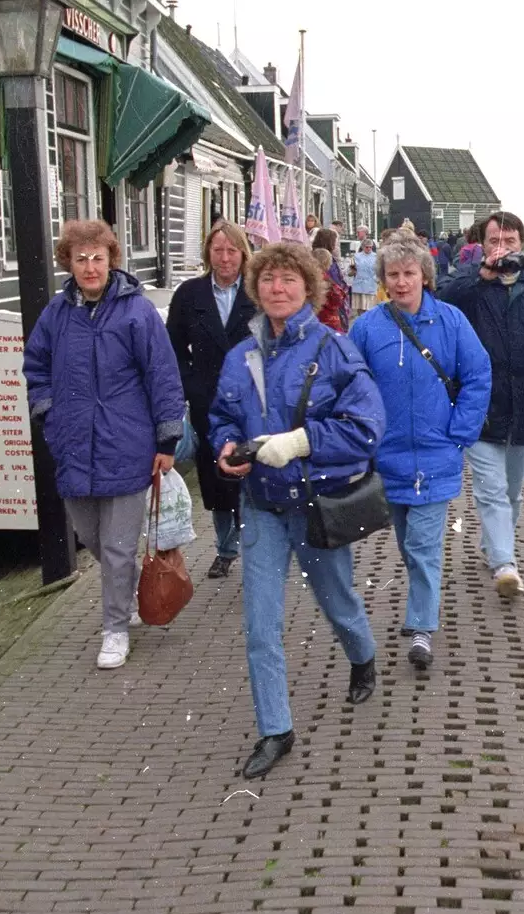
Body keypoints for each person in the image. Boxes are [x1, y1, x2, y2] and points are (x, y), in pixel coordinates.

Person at [208, 242, 386, 779]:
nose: (277, 289)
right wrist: (224, 448)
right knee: (261, 624)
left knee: (338, 602)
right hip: (260, 505)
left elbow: (366, 427)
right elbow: (223, 416)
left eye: (288, 279)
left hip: (314, 506)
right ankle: (276, 729)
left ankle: (362, 656)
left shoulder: (335, 350)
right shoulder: (240, 357)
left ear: (308, 287)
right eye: (267, 280)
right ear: (255, 289)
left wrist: (301, 442)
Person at [24, 220, 185, 667]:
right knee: (91, 538)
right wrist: (48, 414)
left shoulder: (137, 313)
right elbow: (35, 366)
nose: (90, 267)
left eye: (97, 258)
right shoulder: (56, 316)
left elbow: (163, 376)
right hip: (74, 444)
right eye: (81, 259)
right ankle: (129, 587)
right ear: (69, 263)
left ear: (111, 259)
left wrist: (167, 438)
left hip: (127, 443)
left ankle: (115, 629)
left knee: (116, 547)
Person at [348, 232, 490, 669]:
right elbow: (349, 384)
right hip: (387, 459)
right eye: (393, 274)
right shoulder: (367, 328)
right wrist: (361, 436)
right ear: (383, 279)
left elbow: (478, 376)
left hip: (435, 455)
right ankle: (420, 607)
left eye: (409, 273)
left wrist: (459, 433)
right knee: (408, 543)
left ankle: (422, 626)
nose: (402, 282)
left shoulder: (451, 322)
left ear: (424, 276)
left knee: (426, 545)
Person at [437, 210, 524, 598]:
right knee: (491, 489)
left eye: (509, 240)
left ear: (523, 243)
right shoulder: (470, 285)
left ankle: (495, 546)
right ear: (482, 245)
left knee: (512, 491)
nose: (503, 247)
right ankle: (504, 563)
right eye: (494, 240)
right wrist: (478, 275)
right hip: (478, 407)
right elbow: (438, 301)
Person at [166, 222, 254, 579]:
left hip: (250, 400)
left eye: (232, 250)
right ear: (208, 254)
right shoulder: (189, 295)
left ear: (243, 253)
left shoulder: (256, 290)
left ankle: (257, 550)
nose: (225, 257)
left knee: (251, 473)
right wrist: (191, 385)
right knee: (216, 477)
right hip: (208, 400)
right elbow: (172, 348)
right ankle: (225, 548)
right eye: (218, 250)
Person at [312, 227, 353, 329]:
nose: (336, 244)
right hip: (328, 307)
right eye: (334, 241)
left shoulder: (313, 255)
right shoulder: (325, 257)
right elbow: (334, 283)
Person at [349, 239, 378, 314]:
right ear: (362, 247)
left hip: (371, 285)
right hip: (359, 285)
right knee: (360, 309)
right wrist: (352, 270)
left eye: (370, 247)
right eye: (366, 247)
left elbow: (379, 271)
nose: (368, 249)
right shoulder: (356, 256)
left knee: (371, 309)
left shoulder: (376, 257)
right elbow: (350, 272)